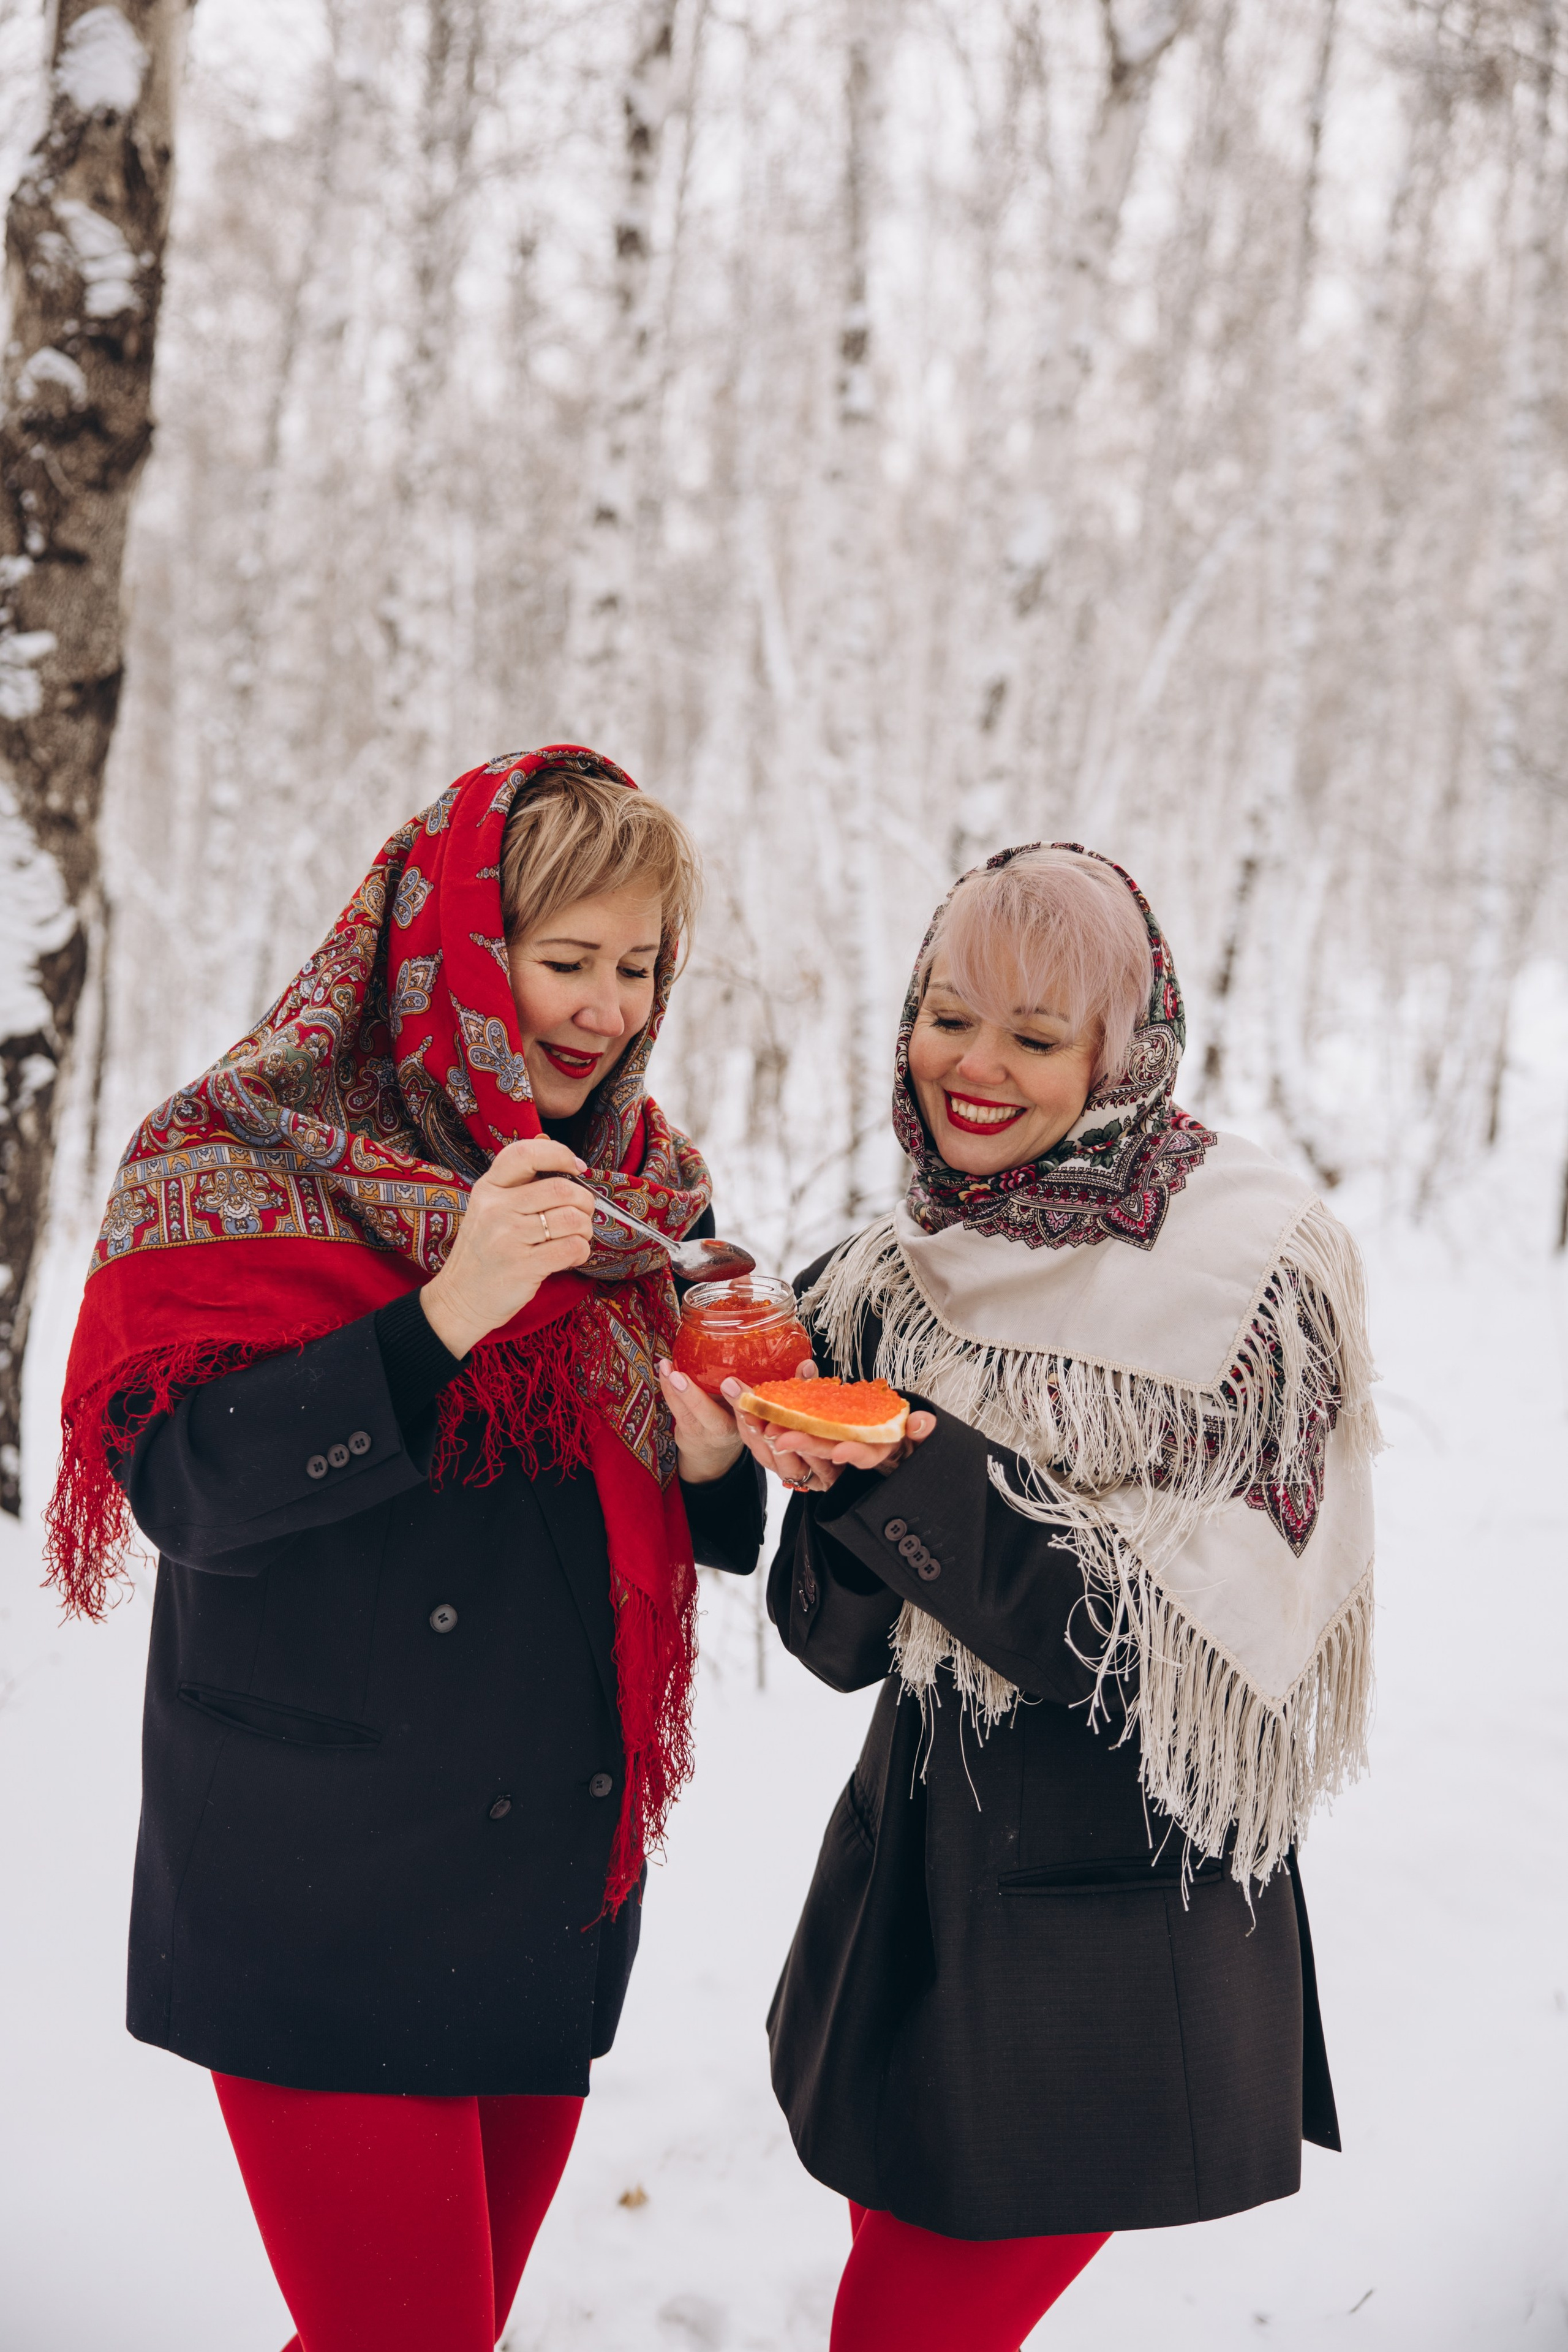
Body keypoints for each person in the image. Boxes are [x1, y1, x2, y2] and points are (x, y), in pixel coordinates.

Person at [47, 747, 764, 2352]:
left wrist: (717, 1459)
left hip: (547, 1879)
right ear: (457, 957)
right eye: (565, 960)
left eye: (638, 966)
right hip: (322, 1881)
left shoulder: (646, 1194)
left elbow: (665, 1509)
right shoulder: (241, 1155)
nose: (604, 1009)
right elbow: (186, 1492)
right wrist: (446, 1312)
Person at [693, 843, 1378, 2352]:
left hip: (1114, 1923)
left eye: (1034, 1034)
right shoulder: (885, 1276)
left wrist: (907, 1464)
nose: (974, 1067)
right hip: (908, 1900)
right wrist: (808, 1471)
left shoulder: (1249, 1279)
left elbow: (1136, 1652)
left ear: (1117, 1055)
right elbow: (830, 1646)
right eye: (949, 1016)